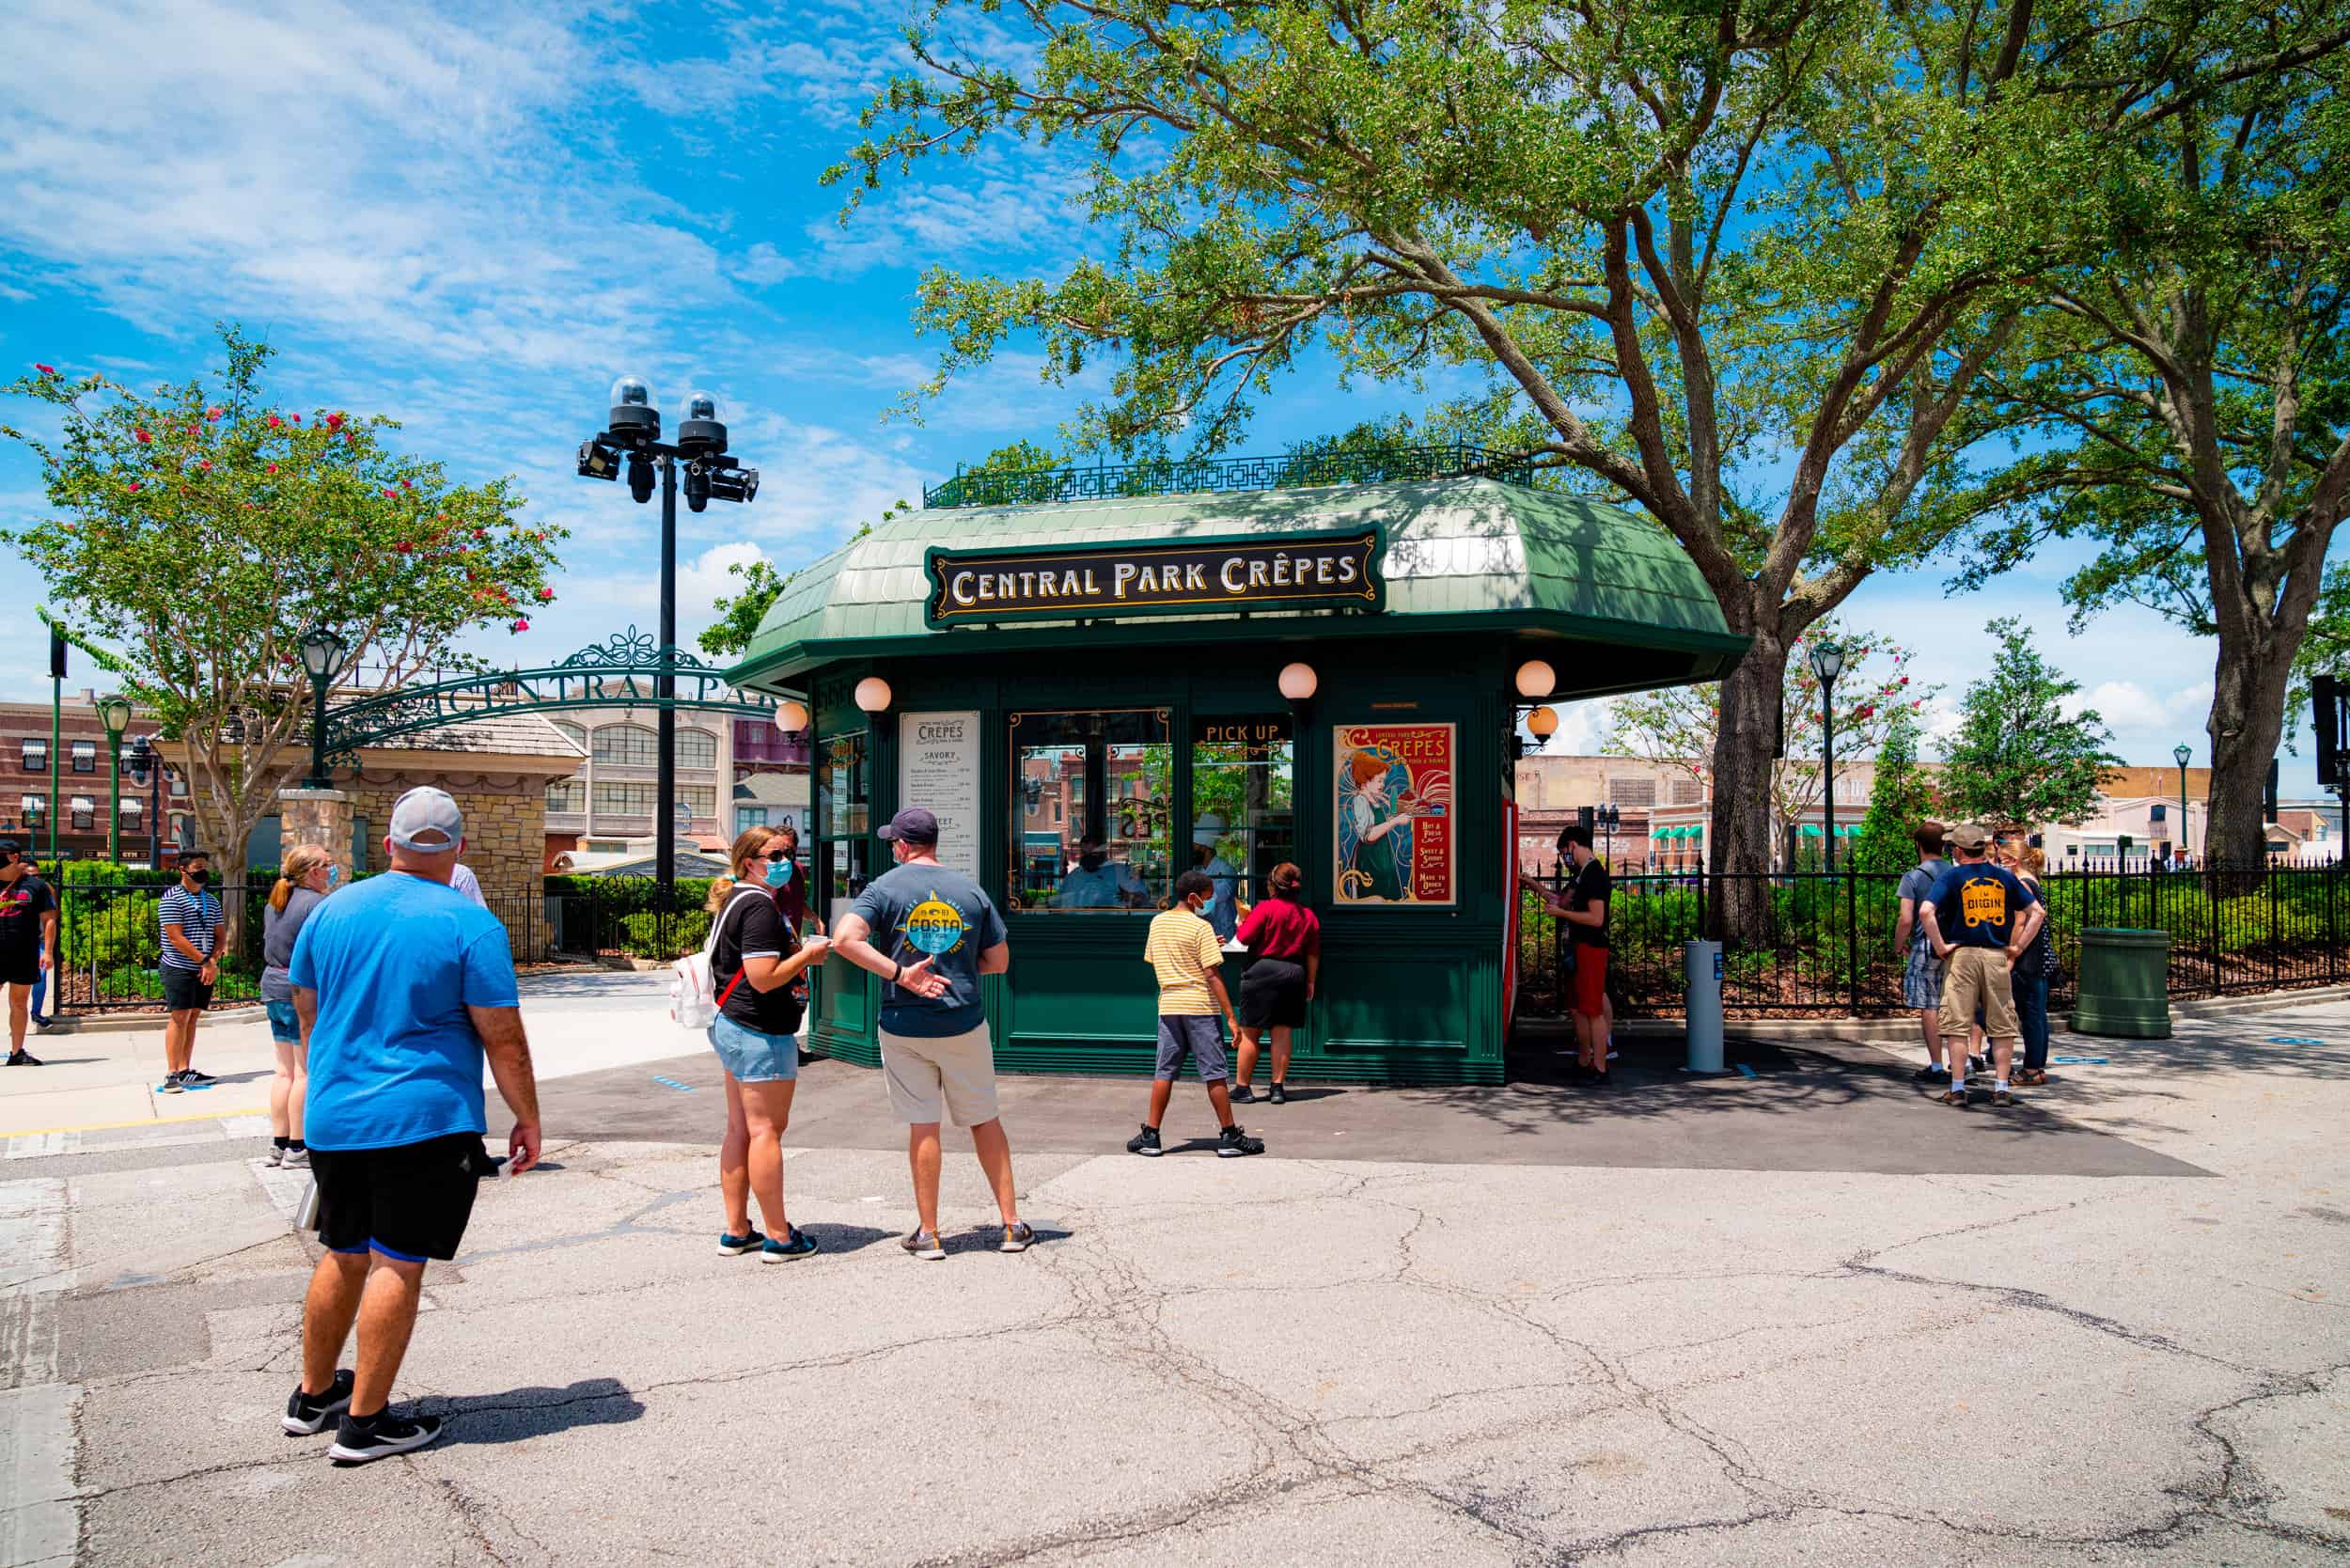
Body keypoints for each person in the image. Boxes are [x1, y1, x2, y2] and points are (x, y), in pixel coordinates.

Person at [284, 786, 541, 1464]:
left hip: (336, 1114)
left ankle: (314, 1396)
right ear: (457, 848)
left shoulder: (331, 911)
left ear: (391, 842)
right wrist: (526, 1117)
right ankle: (366, 1423)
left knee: (343, 1250)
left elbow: (306, 1009)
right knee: (398, 1261)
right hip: (423, 1118)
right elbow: (502, 1036)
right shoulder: (469, 923)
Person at [831, 807, 1035, 1259]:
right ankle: (1012, 1225)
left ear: (903, 846)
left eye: (892, 844)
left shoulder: (883, 888)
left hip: (905, 1024)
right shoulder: (969, 889)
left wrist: (901, 974)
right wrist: (960, 968)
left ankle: (930, 1234)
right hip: (963, 1021)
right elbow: (999, 963)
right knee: (985, 1120)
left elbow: (845, 939)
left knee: (924, 1126)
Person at [701, 826, 832, 1262]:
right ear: (749, 860)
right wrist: (809, 956)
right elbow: (762, 977)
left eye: (790, 853)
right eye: (775, 853)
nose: (786, 861)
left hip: (734, 1023)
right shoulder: (758, 906)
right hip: (760, 1028)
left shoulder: (737, 899)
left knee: (741, 1129)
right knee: (765, 1131)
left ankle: (738, 1229)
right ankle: (778, 1235)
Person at [1126, 870, 1263, 1158]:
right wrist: (1230, 1016)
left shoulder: (1157, 923)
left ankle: (1151, 1135)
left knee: (1164, 1071)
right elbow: (1211, 975)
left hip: (1169, 1007)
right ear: (1192, 897)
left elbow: (1160, 959)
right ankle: (1229, 1136)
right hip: (1200, 1006)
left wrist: (1206, 949)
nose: (1210, 900)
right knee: (1214, 1073)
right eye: (1207, 896)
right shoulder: (1200, 928)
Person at [1919, 823, 2044, 1110]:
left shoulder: (1953, 877)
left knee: (1958, 1025)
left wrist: (1940, 946)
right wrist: (2019, 947)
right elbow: (2036, 912)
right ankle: (2001, 1088)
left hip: (1962, 955)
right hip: (1996, 955)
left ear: (1959, 850)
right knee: (2002, 1024)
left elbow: (1927, 911)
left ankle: (1958, 1087)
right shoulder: (2004, 878)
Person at [259, 845, 337, 1168]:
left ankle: (279, 1144)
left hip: (273, 987)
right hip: (299, 992)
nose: (332, 869)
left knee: (285, 1071)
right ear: (313, 872)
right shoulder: (317, 905)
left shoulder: (276, 902)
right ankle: (298, 1146)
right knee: (306, 1072)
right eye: (327, 864)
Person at [1230, 862, 1319, 1105]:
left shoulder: (1265, 909)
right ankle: (1277, 1088)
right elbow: (1312, 953)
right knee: (1282, 1033)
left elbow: (1243, 937)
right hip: (1294, 973)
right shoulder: (1308, 916)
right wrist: (1310, 980)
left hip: (1261, 972)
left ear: (1273, 885)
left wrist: (1243, 920)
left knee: (1250, 1033)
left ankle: (1243, 1088)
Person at [1531, 825, 1611, 1084]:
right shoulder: (1581, 875)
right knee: (1578, 1008)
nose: (1564, 857)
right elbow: (1561, 900)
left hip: (1590, 947)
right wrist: (1533, 885)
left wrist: (1562, 915)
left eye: (1564, 851)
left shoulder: (1594, 875)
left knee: (1592, 1009)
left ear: (1573, 845)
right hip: (1577, 947)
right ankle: (1584, 1060)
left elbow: (1596, 919)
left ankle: (1599, 1068)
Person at [157, 850, 223, 1093]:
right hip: (179, 966)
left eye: (204, 865)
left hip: (205, 967)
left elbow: (220, 936)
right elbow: (176, 937)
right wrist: (204, 961)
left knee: (194, 1016)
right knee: (179, 1017)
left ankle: (186, 1069)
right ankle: (172, 1073)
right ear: (183, 870)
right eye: (197, 866)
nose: (202, 870)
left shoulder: (211, 900)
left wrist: (212, 961)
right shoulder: (172, 899)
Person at [1892, 822, 1951, 1085]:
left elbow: (1906, 919)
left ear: (1918, 845)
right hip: (1954, 944)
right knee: (1960, 1003)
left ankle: (1937, 1065)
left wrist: (1898, 945)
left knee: (1929, 1005)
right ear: (1944, 844)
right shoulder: (1955, 874)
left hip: (1926, 945)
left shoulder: (1914, 877)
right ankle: (1967, 1060)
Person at [1, 839, 57, 1067]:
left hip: (24, 951)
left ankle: (17, 1052)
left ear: (14, 856)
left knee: (19, 1002)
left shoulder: (36, 886)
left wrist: (49, 952)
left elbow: (50, 918)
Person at [2008, 844, 2056, 1088]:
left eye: (2003, 860)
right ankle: (2037, 1066)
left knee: (2030, 1014)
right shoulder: (2033, 880)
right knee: (2036, 1014)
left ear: (2014, 861)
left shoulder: (2022, 883)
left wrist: (2014, 950)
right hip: (2039, 956)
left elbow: (2020, 921)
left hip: (2027, 958)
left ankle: (2031, 1069)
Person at [1343, 749, 1410, 902]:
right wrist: (1395, 821)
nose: (1383, 784)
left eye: (1383, 781)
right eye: (1379, 780)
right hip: (1370, 861)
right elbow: (1368, 836)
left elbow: (1383, 821)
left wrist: (1394, 808)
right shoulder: (1360, 800)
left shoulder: (1372, 798)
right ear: (1365, 780)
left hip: (1382, 856)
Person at [1056, 837, 1145, 909]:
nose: (1088, 856)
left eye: (1093, 852)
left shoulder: (1121, 872)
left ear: (1102, 852)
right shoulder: (1074, 875)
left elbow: (1141, 899)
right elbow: (1058, 902)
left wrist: (1130, 896)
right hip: (1076, 925)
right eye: (1084, 852)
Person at [1191, 836, 1240, 941]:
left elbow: (1222, 894)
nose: (1191, 851)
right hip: (1202, 931)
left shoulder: (1226, 869)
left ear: (1205, 848)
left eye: (1194, 847)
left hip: (1223, 931)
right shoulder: (1195, 870)